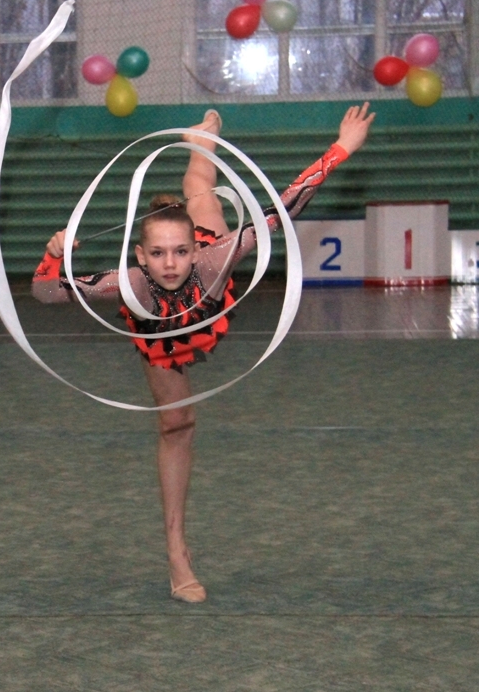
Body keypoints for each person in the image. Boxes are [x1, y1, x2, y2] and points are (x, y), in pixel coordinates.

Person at [32, 103, 375, 603]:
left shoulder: (215, 255)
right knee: (176, 424)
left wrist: (340, 148)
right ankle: (177, 550)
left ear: (193, 248)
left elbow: (283, 208)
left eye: (179, 251)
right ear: (139, 255)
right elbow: (45, 292)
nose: (170, 264)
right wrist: (53, 255)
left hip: (209, 282)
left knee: (201, 186)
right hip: (161, 337)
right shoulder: (130, 284)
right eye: (157, 254)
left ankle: (202, 140)